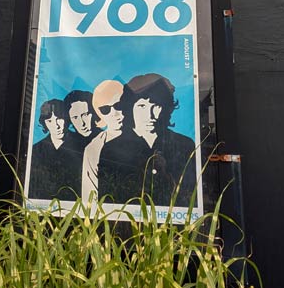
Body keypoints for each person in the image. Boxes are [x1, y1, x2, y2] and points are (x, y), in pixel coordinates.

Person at [97, 73, 197, 206]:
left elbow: (189, 196)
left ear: (166, 108)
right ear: (129, 107)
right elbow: (107, 200)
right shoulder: (111, 149)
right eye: (142, 106)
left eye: (157, 106)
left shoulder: (184, 145)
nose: (150, 115)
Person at [81, 80, 124, 204]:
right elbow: (89, 197)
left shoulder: (143, 135)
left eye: (118, 105)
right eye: (105, 109)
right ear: (98, 113)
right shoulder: (93, 148)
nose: (115, 113)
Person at [60, 89, 100, 199]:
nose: (82, 123)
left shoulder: (105, 140)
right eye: (75, 117)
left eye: (85, 114)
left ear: (94, 112)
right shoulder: (65, 147)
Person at [28, 98, 70, 200]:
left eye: (59, 119)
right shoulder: (36, 149)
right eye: (50, 121)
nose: (56, 125)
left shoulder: (81, 145)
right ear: (44, 123)